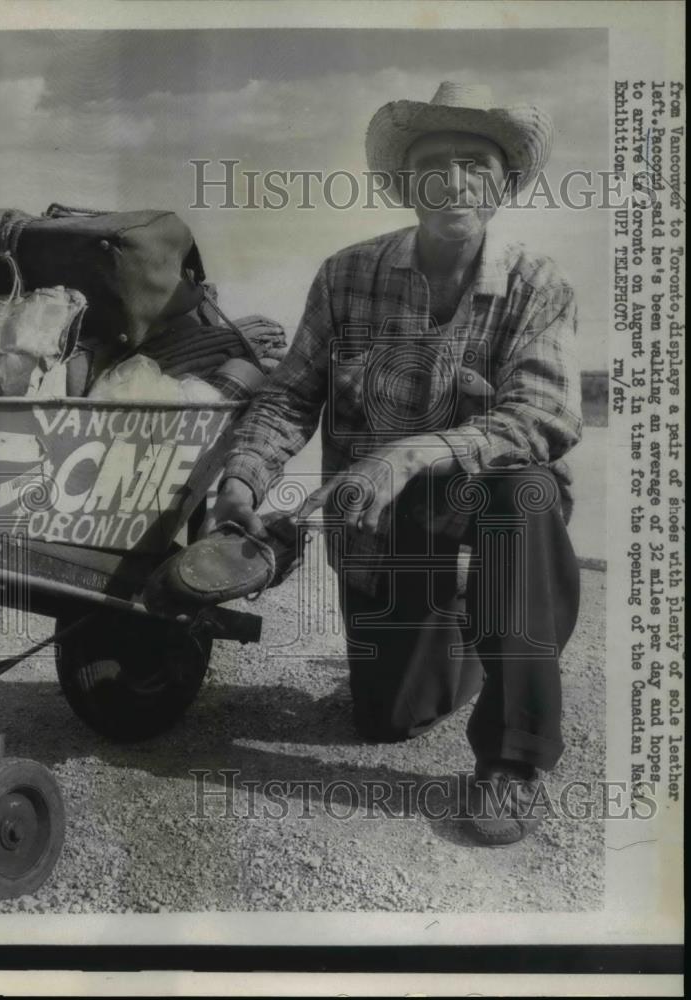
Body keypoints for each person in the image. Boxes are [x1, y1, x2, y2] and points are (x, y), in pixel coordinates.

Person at [205, 81, 582, 845]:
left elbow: (544, 416)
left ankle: (514, 756)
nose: (454, 181)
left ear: (505, 184)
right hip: (385, 528)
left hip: (493, 504)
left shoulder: (536, 285)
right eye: (433, 164)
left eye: (476, 163)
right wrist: (244, 476)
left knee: (527, 494)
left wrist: (414, 450)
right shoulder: (346, 275)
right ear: (407, 185)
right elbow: (289, 397)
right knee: (388, 721)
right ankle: (472, 641)